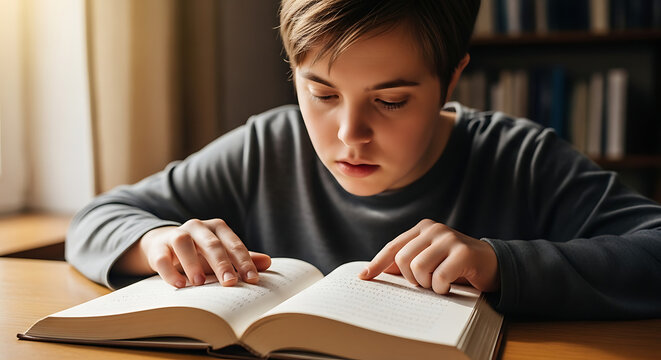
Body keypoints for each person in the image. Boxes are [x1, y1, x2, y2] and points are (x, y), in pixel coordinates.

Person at [66, 0, 661, 320]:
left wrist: (499, 264)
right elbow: (98, 217)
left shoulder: (521, 159)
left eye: (392, 100)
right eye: (322, 94)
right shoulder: (265, 147)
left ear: (452, 78)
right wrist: (159, 241)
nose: (350, 133)